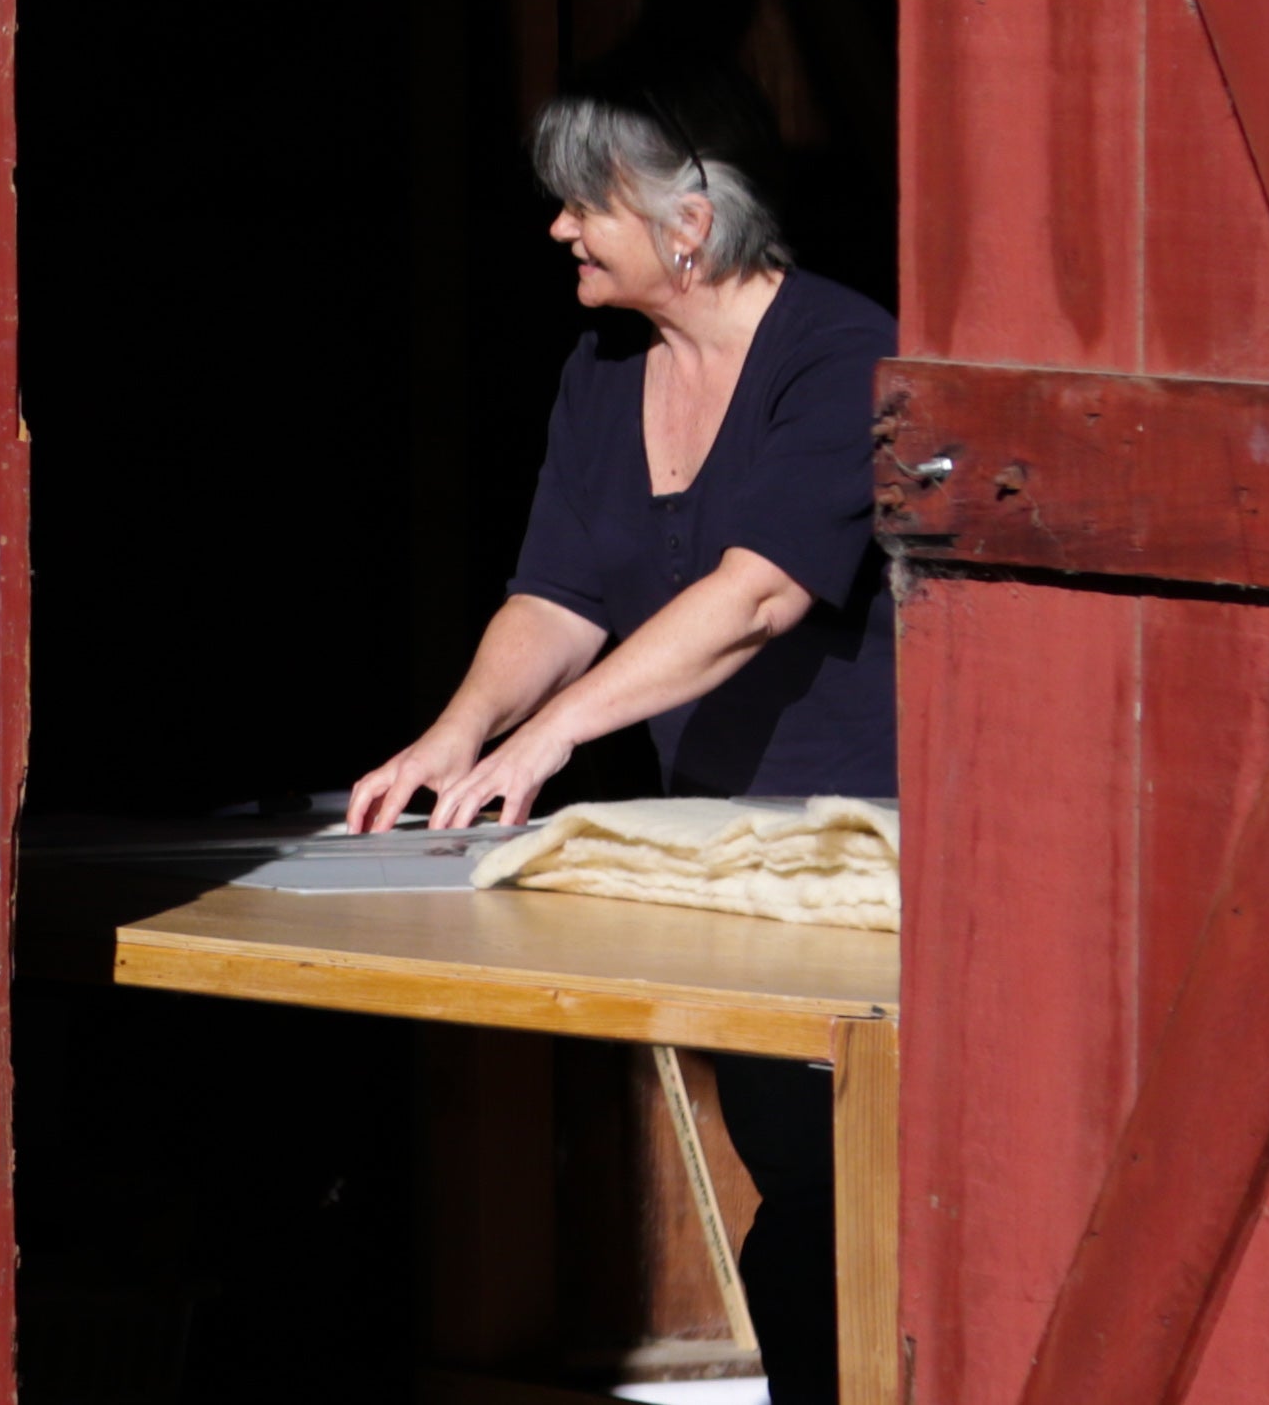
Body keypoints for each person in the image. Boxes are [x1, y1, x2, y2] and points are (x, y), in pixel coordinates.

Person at [348, 82, 892, 1393]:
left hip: (859, 860)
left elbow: (757, 591)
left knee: (850, 1209)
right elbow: (560, 592)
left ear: (689, 224)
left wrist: (549, 744)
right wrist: (458, 733)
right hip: (716, 858)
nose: (557, 231)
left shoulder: (843, 353)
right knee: (804, 1195)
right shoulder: (602, 377)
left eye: (587, 205)